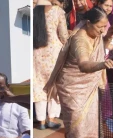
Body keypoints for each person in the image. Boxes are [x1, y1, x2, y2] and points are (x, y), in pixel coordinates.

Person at [44, 7, 113, 138]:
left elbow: (99, 46)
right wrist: (101, 65)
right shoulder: (79, 40)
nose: (102, 30)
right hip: (72, 87)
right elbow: (84, 65)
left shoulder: (93, 32)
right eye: (100, 27)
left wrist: (109, 34)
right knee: (77, 124)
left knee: (92, 121)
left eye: (104, 27)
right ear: (88, 23)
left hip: (88, 86)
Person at [33, 0, 68, 130]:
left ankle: (41, 122)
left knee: (39, 87)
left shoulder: (34, 11)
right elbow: (64, 36)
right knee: (54, 86)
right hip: (54, 53)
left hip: (36, 54)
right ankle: (51, 119)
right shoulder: (57, 11)